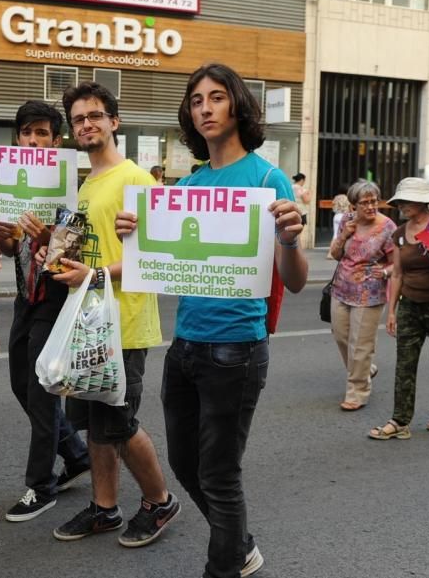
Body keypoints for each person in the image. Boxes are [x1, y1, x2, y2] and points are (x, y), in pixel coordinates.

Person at [118, 63, 308, 578]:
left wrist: (289, 240)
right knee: (184, 462)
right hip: (186, 346)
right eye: (197, 99)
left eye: (217, 97)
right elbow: (164, 264)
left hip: (236, 351)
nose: (205, 107)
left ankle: (226, 563)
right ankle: (239, 542)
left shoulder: (268, 180)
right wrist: (134, 238)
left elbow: (293, 280)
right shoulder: (192, 181)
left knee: (220, 474)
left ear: (237, 106)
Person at [47, 82, 178, 549]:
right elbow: (88, 248)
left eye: (95, 116)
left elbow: (159, 256)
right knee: (94, 424)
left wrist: (94, 271)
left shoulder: (137, 179)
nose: (86, 124)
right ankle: (105, 509)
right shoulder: (86, 183)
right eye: (79, 119)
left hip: (125, 323)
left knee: (118, 423)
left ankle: (160, 501)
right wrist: (60, 257)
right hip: (90, 324)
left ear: (114, 121)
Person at [0, 101, 91, 523]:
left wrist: (51, 233)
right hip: (24, 297)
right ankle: (75, 452)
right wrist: (6, 239)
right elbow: (14, 249)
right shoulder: (9, 182)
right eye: (27, 132)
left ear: (56, 140)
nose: (34, 140)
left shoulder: (69, 186)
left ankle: (41, 486)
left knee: (42, 393)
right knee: (19, 384)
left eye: (43, 133)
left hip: (54, 298)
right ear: (17, 138)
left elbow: (73, 252)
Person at [369, 178, 429, 441]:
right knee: (404, 365)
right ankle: (400, 420)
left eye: (407, 201)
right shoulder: (399, 234)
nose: (402, 206)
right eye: (400, 201)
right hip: (410, 306)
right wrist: (393, 311)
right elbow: (397, 274)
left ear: (422, 202)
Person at [328, 179, 395, 411]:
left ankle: (357, 391)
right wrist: (344, 235)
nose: (370, 206)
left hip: (370, 292)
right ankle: (366, 369)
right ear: (353, 206)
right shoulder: (347, 221)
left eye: (374, 201)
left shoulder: (387, 227)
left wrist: (385, 271)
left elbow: (397, 264)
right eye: (365, 202)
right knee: (340, 336)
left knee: (361, 345)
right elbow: (335, 254)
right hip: (341, 288)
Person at [328, 184, 351, 259]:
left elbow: (333, 206)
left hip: (336, 216)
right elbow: (349, 208)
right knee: (343, 234)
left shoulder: (336, 197)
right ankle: (338, 252)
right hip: (343, 216)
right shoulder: (347, 198)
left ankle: (330, 253)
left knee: (335, 235)